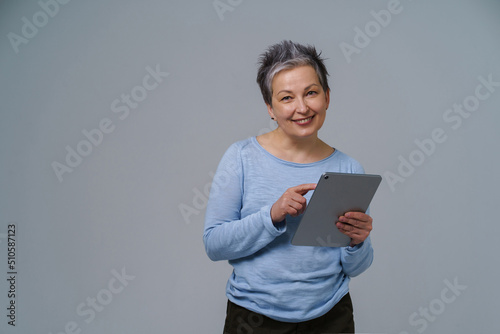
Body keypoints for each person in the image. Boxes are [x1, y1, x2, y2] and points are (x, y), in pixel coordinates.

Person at [203, 40, 374, 334]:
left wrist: (358, 243)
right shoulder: (241, 157)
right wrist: (271, 215)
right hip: (253, 318)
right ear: (270, 108)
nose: (302, 108)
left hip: (331, 317)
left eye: (311, 93)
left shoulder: (349, 168)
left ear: (327, 97)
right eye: (286, 98)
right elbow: (215, 245)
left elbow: (355, 268)